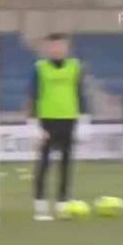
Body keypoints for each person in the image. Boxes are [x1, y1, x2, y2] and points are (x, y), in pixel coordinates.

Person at [29, 33, 90, 221]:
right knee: (44, 164)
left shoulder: (75, 67)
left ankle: (62, 203)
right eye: (54, 46)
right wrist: (34, 125)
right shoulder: (40, 68)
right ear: (48, 48)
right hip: (47, 121)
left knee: (66, 164)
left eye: (61, 46)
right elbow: (34, 96)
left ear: (67, 48)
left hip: (68, 120)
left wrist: (84, 122)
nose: (57, 50)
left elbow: (80, 94)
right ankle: (40, 205)